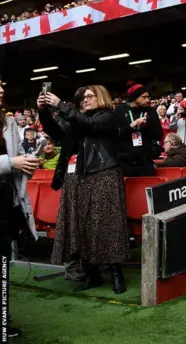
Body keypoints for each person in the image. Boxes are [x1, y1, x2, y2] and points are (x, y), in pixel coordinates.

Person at [38, 86, 131, 293]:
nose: (85, 100)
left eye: (90, 96)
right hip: (78, 176)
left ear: (102, 97)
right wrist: (44, 110)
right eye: (82, 98)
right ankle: (92, 274)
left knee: (108, 224)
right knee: (82, 225)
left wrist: (61, 105)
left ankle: (117, 273)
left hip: (104, 173)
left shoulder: (108, 116)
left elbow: (92, 126)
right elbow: (56, 132)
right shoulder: (78, 121)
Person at [0, 84, 40, 339]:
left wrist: (26, 164)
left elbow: (15, 159)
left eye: (2, 85)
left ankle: (3, 319)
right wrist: (11, 162)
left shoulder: (9, 122)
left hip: (5, 202)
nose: (1, 89)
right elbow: (10, 160)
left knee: (2, 264)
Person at [115, 81, 164, 177]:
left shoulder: (150, 111)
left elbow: (159, 135)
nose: (147, 100)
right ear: (135, 97)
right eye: (144, 97)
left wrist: (147, 126)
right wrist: (131, 126)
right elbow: (115, 134)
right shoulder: (120, 110)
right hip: (125, 162)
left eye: (148, 97)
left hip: (146, 163)